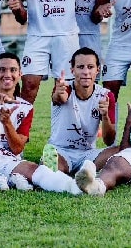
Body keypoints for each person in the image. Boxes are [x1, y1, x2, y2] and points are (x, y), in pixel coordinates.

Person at [0, 53, 82, 198]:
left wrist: (7, 123)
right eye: (2, 70)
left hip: (7, 159)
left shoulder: (26, 107)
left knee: (38, 171)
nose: (7, 74)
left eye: (13, 70)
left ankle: (75, 186)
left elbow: (17, 148)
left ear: (20, 74)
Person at [40, 47, 119, 176]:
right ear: (72, 70)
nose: (86, 72)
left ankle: (87, 170)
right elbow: (60, 97)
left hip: (87, 154)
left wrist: (104, 116)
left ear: (97, 70)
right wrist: (58, 94)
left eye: (90, 67)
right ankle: (81, 172)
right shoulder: (63, 88)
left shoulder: (106, 95)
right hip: (61, 151)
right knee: (50, 167)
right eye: (80, 67)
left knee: (121, 151)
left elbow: (109, 141)